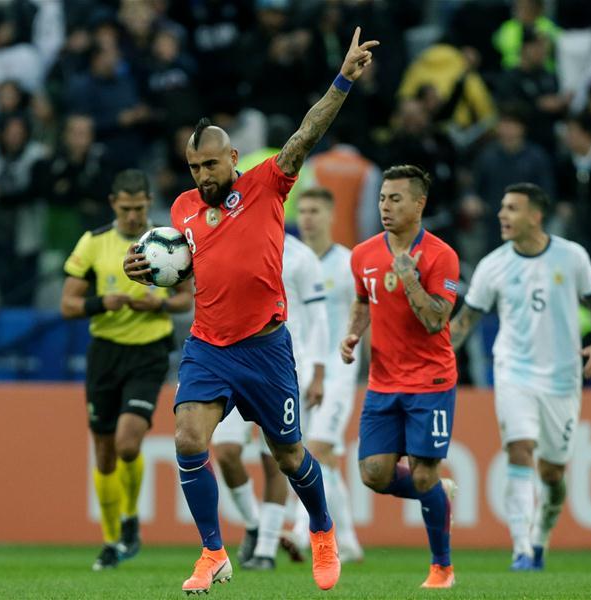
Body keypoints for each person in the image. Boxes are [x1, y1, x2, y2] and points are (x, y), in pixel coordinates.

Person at [123, 27, 378, 595]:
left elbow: (306, 133)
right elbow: (190, 267)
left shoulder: (268, 183)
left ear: (233, 157)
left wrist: (342, 80)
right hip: (209, 345)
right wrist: (140, 268)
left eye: (211, 165)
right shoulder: (183, 209)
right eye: (194, 168)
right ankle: (213, 553)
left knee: (289, 455)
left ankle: (322, 530)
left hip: (265, 347)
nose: (202, 177)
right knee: (189, 440)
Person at [449, 183, 591, 571]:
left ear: (535, 216)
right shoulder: (493, 265)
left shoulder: (572, 258)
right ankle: (521, 548)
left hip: (562, 377)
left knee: (553, 472)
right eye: (502, 207)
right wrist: (429, 356)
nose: (502, 215)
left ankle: (540, 535)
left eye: (512, 209)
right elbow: (464, 322)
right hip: (513, 371)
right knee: (518, 448)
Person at [60, 169, 193, 571]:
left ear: (148, 202)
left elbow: (185, 298)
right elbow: (67, 304)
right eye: (126, 208)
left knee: (127, 443)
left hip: (148, 352)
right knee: (102, 451)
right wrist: (105, 302)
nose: (134, 215)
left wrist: (161, 305)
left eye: (140, 207)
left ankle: (131, 516)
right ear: (113, 204)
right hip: (105, 353)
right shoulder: (94, 243)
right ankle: (111, 539)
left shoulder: (166, 242)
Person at [340, 165, 460, 589]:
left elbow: (435, 321)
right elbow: (361, 300)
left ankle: (441, 567)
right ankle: (439, 495)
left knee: (424, 474)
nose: (386, 207)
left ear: (419, 203)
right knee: (373, 473)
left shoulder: (442, 256)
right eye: (382, 199)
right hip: (382, 382)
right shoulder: (363, 254)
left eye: (395, 199)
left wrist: (410, 278)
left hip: (430, 382)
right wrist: (353, 333)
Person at [210, 232, 328, 571]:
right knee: (227, 451)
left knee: (277, 458)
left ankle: (264, 550)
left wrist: (318, 372)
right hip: (232, 361)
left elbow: (319, 318)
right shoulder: (231, 244)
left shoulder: (301, 257)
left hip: (285, 364)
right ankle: (254, 524)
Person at [292, 187, 364, 562]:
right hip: (297, 370)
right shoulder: (292, 261)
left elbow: (369, 315)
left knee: (313, 451)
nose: (307, 217)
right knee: (326, 460)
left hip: (337, 373)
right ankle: (349, 542)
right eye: (302, 210)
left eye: (315, 210)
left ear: (331, 214)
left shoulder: (348, 264)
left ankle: (298, 534)